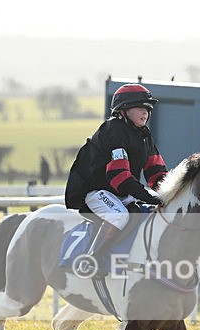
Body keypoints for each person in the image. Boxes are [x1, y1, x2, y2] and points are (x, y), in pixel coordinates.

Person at [64, 83, 166, 275]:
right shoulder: (113, 130)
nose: (145, 113)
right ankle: (91, 259)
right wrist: (147, 195)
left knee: (149, 213)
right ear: (123, 111)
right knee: (119, 216)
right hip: (95, 191)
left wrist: (168, 193)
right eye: (139, 108)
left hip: (119, 192)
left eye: (147, 109)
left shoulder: (144, 135)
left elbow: (156, 170)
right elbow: (118, 175)